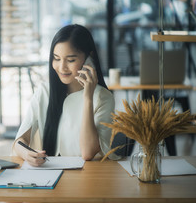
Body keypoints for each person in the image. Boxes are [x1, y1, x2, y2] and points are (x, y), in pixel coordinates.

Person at [12, 24, 119, 166]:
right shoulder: (44, 91)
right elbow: (19, 142)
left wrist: (88, 98)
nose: (62, 67)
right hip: (50, 173)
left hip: (89, 176)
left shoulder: (103, 97)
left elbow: (87, 153)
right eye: (56, 58)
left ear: (89, 58)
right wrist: (27, 154)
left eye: (70, 60)